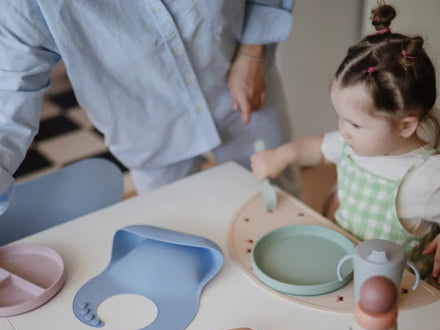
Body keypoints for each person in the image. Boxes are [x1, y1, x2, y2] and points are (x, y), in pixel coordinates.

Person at [0, 1, 302, 213]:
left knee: (279, 208)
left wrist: (252, 51)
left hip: (239, 77)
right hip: (144, 121)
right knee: (183, 236)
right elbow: (10, 97)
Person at [251, 4, 440, 284]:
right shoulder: (354, 143)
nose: (343, 130)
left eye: (355, 124)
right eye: (341, 118)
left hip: (396, 291)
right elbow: (318, 149)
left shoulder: (426, 176)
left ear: (405, 126)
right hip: (342, 267)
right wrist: (282, 155)